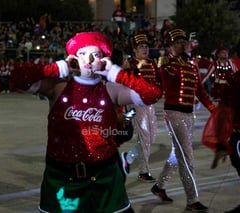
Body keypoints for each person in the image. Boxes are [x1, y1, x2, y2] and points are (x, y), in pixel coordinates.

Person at [23, 31, 162, 212]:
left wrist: (117, 74)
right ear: (73, 58)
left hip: (105, 178)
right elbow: (18, 79)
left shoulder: (111, 89)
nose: (88, 60)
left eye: (95, 54)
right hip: (62, 179)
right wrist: (57, 68)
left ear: (103, 59)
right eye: (82, 54)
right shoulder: (57, 87)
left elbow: (153, 94)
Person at [150, 28, 216, 212]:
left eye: (183, 41)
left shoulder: (192, 64)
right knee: (187, 157)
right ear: (171, 46)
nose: (181, 44)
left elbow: (200, 91)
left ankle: (159, 186)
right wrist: (180, 57)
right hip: (174, 114)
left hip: (188, 114)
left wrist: (213, 109)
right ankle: (192, 199)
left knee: (176, 154)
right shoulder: (167, 63)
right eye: (177, 42)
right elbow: (165, 79)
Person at [121, 32, 162, 182]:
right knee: (145, 136)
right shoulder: (129, 64)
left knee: (151, 138)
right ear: (135, 50)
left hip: (149, 104)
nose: (145, 49)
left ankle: (128, 157)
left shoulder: (152, 63)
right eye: (141, 47)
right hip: (136, 102)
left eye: (146, 46)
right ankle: (144, 172)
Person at [202, 71, 240, 213]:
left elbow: (225, 111)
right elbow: (225, 111)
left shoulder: (235, 80)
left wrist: (220, 142)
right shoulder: (235, 80)